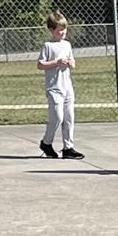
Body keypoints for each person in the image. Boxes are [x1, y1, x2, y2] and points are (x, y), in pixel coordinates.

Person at [36, 11, 82, 160]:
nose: (62, 33)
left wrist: (70, 63)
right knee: (57, 117)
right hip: (54, 88)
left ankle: (68, 147)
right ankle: (46, 142)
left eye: (64, 29)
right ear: (51, 30)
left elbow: (73, 62)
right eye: (59, 30)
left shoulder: (67, 45)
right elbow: (40, 64)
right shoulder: (48, 46)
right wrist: (56, 62)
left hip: (67, 86)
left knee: (69, 118)